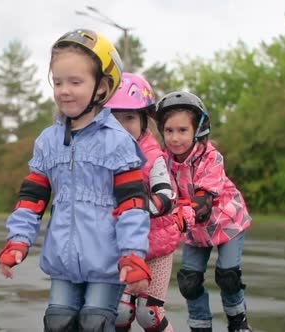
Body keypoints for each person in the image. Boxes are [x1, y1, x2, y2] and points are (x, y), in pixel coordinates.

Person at [0, 29, 152, 332]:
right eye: (58, 82)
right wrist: (18, 239)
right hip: (64, 261)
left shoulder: (118, 142)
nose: (64, 90)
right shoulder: (47, 142)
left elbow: (133, 205)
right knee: (59, 323)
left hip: (107, 262)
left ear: (103, 87)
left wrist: (133, 255)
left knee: (95, 322)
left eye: (75, 82)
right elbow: (31, 199)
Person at [153, 91, 253, 332]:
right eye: (169, 131)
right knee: (189, 281)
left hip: (226, 221)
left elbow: (203, 202)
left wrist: (178, 217)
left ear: (198, 129)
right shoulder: (163, 160)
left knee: (228, 276)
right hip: (195, 229)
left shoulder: (210, 157)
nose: (175, 138)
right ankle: (200, 326)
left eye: (182, 130)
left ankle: (238, 324)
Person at [107, 73, 182, 332]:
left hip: (157, 246)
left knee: (148, 313)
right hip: (125, 246)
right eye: (115, 118)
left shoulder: (152, 156)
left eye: (129, 118)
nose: (122, 125)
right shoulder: (103, 156)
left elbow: (166, 196)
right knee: (120, 312)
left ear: (143, 120)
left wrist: (137, 208)